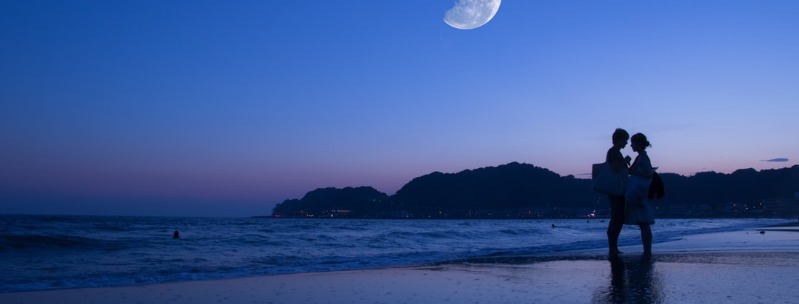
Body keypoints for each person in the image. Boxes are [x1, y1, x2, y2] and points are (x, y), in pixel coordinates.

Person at [625, 133, 655, 255]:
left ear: (638, 144)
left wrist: (634, 172)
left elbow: (648, 174)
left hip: (640, 193)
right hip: (639, 192)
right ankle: (646, 250)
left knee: (644, 223)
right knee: (644, 223)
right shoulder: (641, 156)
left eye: (633, 143)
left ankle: (647, 251)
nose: (631, 145)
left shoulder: (643, 157)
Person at [606, 128, 631, 256]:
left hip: (618, 190)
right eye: (625, 140)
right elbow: (616, 168)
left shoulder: (615, 152)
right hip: (616, 191)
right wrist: (625, 161)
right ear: (619, 140)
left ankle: (614, 247)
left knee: (618, 218)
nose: (626, 143)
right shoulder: (613, 152)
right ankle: (612, 247)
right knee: (617, 218)